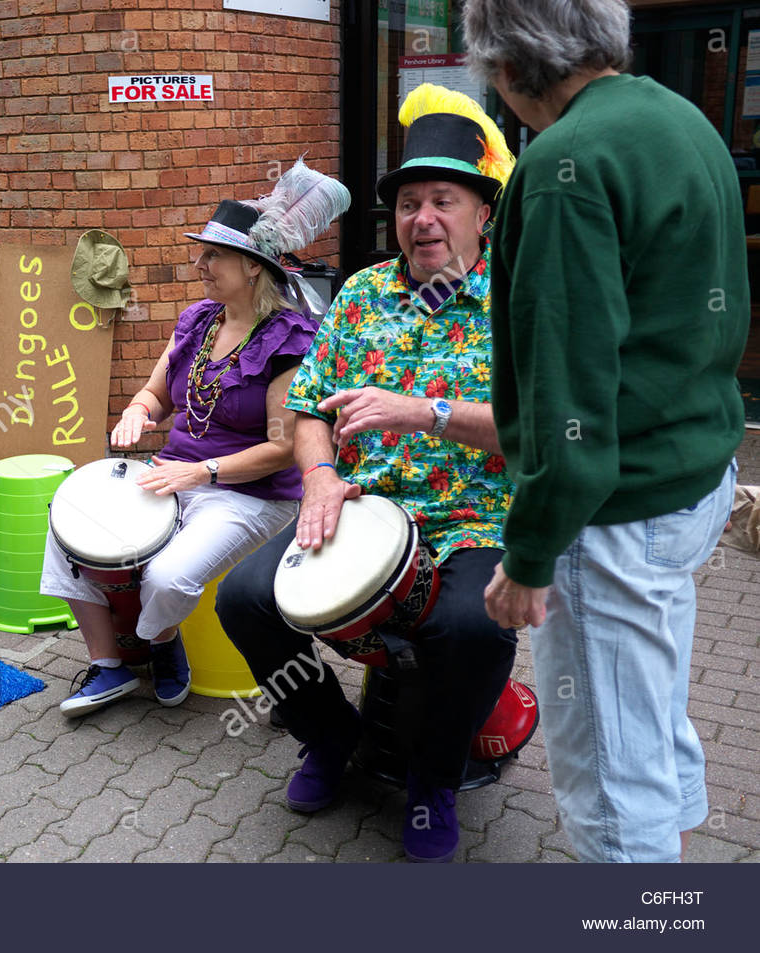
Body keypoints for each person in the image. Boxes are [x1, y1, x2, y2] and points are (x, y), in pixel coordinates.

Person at [464, 0, 748, 863]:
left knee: (607, 776)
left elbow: (567, 389)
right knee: (649, 709)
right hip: (692, 476)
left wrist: (530, 556)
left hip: (613, 514)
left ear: (510, 68)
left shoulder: (563, 165)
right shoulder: (676, 115)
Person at [216, 87, 518, 863]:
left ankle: (433, 777)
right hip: (359, 505)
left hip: (471, 518)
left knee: (475, 627)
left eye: (443, 200)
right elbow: (310, 405)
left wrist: (426, 411)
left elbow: (537, 429)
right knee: (246, 599)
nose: (423, 218)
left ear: (482, 212)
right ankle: (332, 736)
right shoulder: (361, 293)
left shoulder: (516, 301)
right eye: (409, 202)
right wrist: (318, 479)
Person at [41, 162, 351, 717]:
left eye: (213, 255)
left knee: (166, 574)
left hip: (251, 495)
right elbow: (156, 394)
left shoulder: (290, 340)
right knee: (67, 528)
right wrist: (137, 412)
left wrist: (201, 473)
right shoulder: (197, 321)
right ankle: (109, 664)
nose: (199, 264)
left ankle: (157, 643)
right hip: (175, 471)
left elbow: (284, 447)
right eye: (202, 253)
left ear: (253, 268)